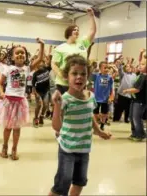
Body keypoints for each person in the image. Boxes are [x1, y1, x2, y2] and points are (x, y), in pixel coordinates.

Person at [49, 54, 111, 196]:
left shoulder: (91, 97)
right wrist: (57, 106)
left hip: (84, 148)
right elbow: (57, 127)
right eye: (74, 73)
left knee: (80, 181)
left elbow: (89, 117)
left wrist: (99, 132)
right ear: (66, 76)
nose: (79, 77)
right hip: (67, 149)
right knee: (62, 185)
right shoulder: (65, 99)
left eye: (83, 74)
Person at [0, 38, 45, 160]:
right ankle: (4, 146)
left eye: (23, 53)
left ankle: (14, 148)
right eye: (17, 53)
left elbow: (40, 59)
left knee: (17, 128)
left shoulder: (27, 68)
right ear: (13, 57)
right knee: (7, 127)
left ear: (26, 57)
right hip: (9, 101)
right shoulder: (8, 69)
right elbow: (0, 83)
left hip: (20, 102)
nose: (20, 54)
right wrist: (1, 93)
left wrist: (42, 45)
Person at [52, 8, 96, 95]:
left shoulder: (82, 43)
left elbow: (92, 31)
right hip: (64, 84)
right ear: (69, 32)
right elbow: (54, 64)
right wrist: (62, 76)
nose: (77, 31)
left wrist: (91, 16)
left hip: (80, 82)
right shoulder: (60, 48)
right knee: (63, 107)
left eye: (78, 30)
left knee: (78, 107)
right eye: (74, 29)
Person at [123, 60, 147, 141]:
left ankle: (141, 135)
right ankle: (134, 133)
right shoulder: (140, 75)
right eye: (140, 64)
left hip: (140, 101)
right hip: (135, 99)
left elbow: (137, 89)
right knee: (132, 117)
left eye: (143, 64)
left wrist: (127, 90)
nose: (140, 66)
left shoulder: (144, 77)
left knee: (136, 117)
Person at [92, 61, 113, 130]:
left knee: (104, 113)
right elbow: (89, 73)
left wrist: (110, 97)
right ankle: (96, 125)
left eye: (107, 68)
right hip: (97, 99)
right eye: (105, 68)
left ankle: (102, 125)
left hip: (105, 99)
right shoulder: (96, 76)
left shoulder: (110, 78)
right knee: (95, 113)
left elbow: (111, 88)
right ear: (100, 68)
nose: (106, 69)